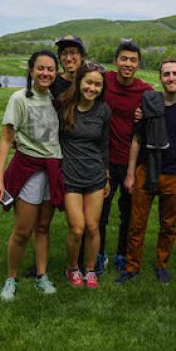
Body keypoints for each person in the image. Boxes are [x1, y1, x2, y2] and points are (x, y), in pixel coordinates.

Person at [116, 58, 176, 285]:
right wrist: (131, 173)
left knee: (168, 225)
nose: (171, 78)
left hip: (174, 175)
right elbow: (136, 140)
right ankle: (132, 266)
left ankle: (162, 265)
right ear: (160, 78)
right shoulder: (148, 105)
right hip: (145, 171)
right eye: (166, 74)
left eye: (175, 74)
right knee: (136, 223)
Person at [0, 50, 63, 301]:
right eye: (40, 68)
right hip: (29, 170)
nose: (45, 73)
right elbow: (5, 141)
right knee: (23, 230)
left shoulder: (56, 99)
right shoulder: (19, 99)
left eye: (50, 69)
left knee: (43, 227)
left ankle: (42, 276)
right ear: (31, 71)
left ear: (56, 72)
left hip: (52, 169)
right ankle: (11, 278)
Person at [22, 35, 86, 280]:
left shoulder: (89, 80)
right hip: (51, 155)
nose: (69, 57)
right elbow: (32, 103)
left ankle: (85, 262)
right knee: (42, 218)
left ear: (81, 56)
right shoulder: (53, 84)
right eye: (64, 54)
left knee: (86, 220)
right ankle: (39, 266)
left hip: (81, 156)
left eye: (74, 53)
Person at [99, 39, 153, 275]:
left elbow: (160, 115)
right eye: (124, 59)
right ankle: (99, 253)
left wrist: (147, 113)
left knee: (128, 215)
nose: (127, 64)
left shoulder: (146, 91)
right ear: (115, 61)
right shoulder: (104, 81)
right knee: (100, 213)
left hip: (133, 162)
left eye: (133, 60)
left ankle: (123, 253)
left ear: (138, 64)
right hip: (105, 161)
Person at [59, 62, 112, 289]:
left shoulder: (103, 111)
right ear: (79, 82)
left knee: (93, 226)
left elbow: (103, 145)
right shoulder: (63, 107)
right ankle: (72, 267)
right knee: (77, 228)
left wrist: (107, 176)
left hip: (95, 177)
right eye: (89, 82)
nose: (92, 88)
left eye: (98, 84)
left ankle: (90, 270)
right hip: (70, 176)